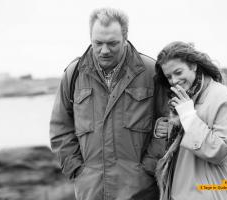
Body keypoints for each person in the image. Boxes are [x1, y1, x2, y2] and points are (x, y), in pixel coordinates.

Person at [49, 8, 166, 200]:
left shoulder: (151, 71)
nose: (104, 50)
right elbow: (60, 127)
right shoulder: (73, 74)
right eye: (98, 43)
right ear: (90, 38)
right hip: (90, 191)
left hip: (141, 190)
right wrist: (77, 170)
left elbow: (169, 121)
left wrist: (151, 167)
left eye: (112, 43)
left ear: (125, 38)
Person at [154, 41, 227, 200]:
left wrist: (188, 116)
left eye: (178, 72)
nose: (174, 80)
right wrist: (167, 126)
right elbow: (183, 151)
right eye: (169, 76)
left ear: (193, 66)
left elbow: (219, 151)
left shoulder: (219, 95)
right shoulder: (182, 99)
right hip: (185, 192)